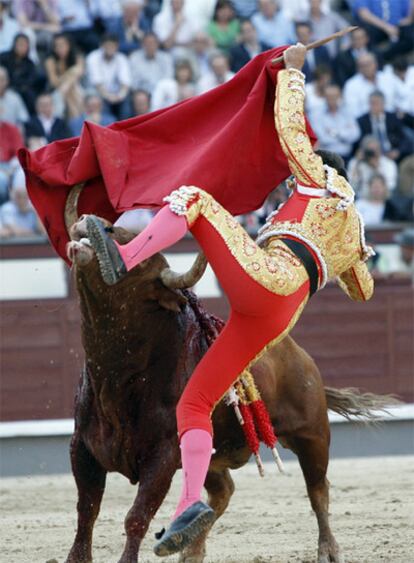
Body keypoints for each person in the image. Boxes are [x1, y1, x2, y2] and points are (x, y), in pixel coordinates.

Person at [85, 43, 374, 557]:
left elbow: (289, 129)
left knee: (193, 198)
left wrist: (291, 73)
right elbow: (362, 290)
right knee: (193, 403)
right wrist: (357, 253)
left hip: (269, 281)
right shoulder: (350, 230)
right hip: (272, 319)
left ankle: (124, 261)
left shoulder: (320, 183)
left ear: (326, 170)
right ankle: (189, 505)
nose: (288, 185)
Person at [310, 84, 360, 163]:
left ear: (339, 96)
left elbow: (355, 134)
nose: (332, 99)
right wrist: (345, 133)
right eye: (329, 97)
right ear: (325, 97)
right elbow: (324, 139)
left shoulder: (347, 112)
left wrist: (335, 132)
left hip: (347, 156)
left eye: (334, 96)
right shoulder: (316, 114)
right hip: (327, 158)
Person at [86, 34, 132, 120]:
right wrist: (109, 97)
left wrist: (120, 96)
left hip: (117, 95)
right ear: (102, 46)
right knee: (101, 103)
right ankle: (107, 128)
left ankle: (123, 129)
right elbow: (97, 84)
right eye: (107, 45)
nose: (110, 48)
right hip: (97, 93)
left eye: (113, 46)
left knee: (126, 103)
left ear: (117, 47)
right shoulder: (93, 57)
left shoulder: (121, 58)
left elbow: (125, 83)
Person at [357, 90, 410, 162]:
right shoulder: (362, 121)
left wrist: (398, 151)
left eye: (376, 103)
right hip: (371, 156)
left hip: (392, 154)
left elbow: (404, 139)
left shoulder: (392, 118)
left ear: (383, 104)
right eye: (371, 103)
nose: (373, 106)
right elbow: (359, 142)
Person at [45, 33, 84, 118]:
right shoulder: (50, 60)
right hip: (56, 90)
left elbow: (80, 72)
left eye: (62, 45)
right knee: (69, 90)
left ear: (69, 45)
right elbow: (53, 82)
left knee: (72, 86)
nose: (60, 48)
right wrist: (70, 73)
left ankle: (75, 119)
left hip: (72, 88)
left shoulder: (77, 56)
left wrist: (66, 82)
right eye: (57, 46)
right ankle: (77, 120)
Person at [343, 52, 394, 119]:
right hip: (365, 123)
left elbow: (400, 98)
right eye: (362, 65)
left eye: (369, 64)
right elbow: (352, 111)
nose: (366, 68)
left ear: (376, 64)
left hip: (391, 119)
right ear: (358, 68)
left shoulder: (388, 78)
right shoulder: (351, 85)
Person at [0, 33, 40, 114]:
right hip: (4, 87)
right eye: (20, 44)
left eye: (25, 45)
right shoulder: (3, 57)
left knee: (30, 95)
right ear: (14, 44)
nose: (22, 47)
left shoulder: (30, 63)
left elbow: (30, 81)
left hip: (21, 90)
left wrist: (19, 87)